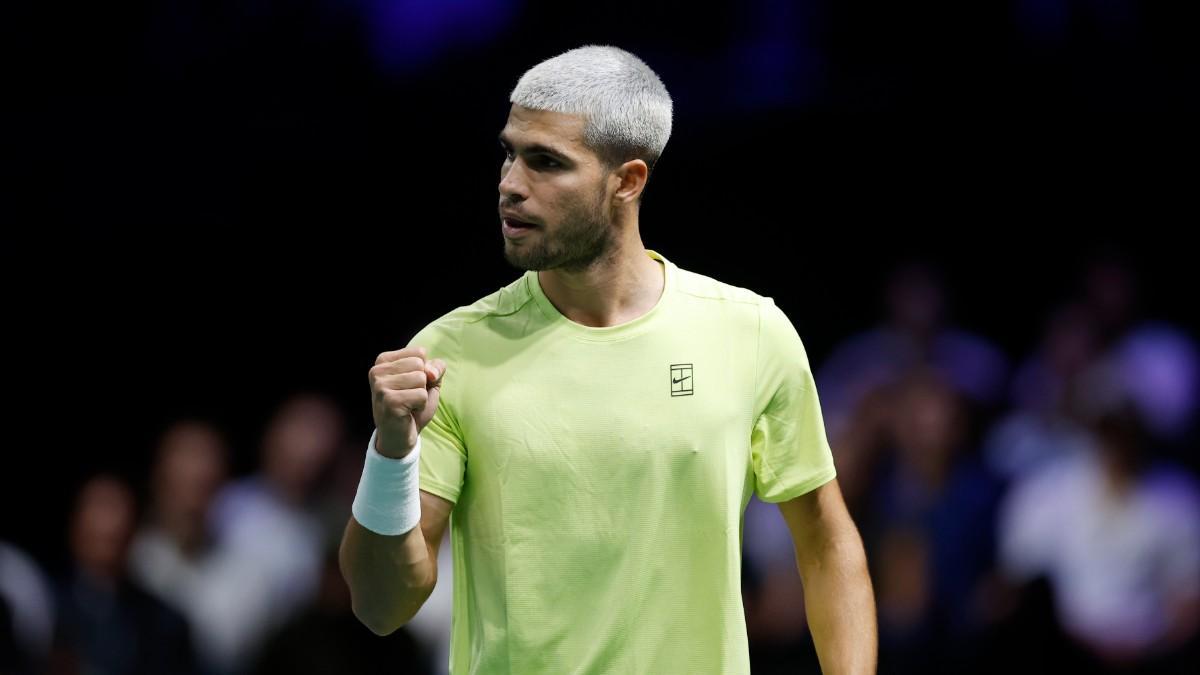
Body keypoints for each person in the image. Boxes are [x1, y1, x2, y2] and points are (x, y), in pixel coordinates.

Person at [340, 45, 876, 674]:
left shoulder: (751, 333)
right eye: (510, 153)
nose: (510, 184)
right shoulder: (449, 354)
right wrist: (391, 451)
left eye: (546, 163)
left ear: (627, 181)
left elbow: (826, 543)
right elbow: (381, 606)